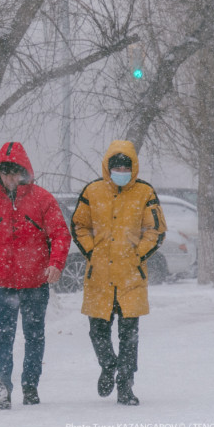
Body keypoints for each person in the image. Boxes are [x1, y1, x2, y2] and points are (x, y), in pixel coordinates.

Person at [0, 142, 71, 410]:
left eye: (14, 173)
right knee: (3, 336)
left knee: (34, 335)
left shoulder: (42, 199)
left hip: (36, 283)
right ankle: (2, 384)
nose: (10, 179)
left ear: (24, 172)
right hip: (2, 284)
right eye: (5, 173)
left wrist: (56, 263)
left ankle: (30, 384)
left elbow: (60, 234)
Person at [70, 140, 167, 406]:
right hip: (98, 276)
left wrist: (137, 256)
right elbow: (79, 225)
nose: (122, 170)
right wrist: (92, 251)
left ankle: (125, 385)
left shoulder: (145, 192)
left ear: (133, 166)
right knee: (97, 333)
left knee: (129, 337)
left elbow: (156, 230)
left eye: (126, 165)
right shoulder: (92, 191)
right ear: (108, 167)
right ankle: (108, 365)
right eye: (117, 166)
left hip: (131, 278)